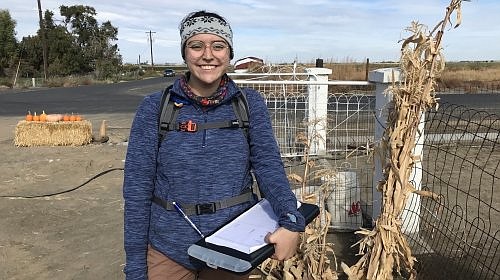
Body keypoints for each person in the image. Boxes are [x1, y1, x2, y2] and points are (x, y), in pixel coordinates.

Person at [123, 10, 305, 280]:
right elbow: (137, 190)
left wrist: (292, 220)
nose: (207, 55)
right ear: (185, 53)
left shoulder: (249, 105)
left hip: (231, 250)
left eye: (218, 46)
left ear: (229, 54)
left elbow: (268, 167)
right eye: (196, 45)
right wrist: (136, 268)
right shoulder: (154, 107)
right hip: (167, 250)